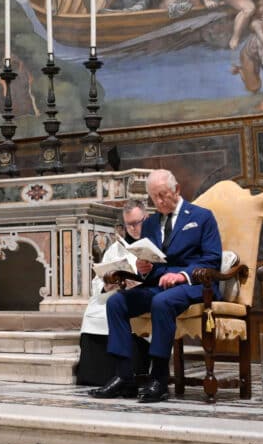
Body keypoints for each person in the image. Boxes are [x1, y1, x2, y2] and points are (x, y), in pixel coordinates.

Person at [89, 169, 222, 402]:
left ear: (177, 190)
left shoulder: (202, 217)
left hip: (196, 284)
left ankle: (159, 377)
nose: (158, 202)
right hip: (159, 284)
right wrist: (144, 269)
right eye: (154, 197)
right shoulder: (150, 224)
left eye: (163, 195)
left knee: (161, 302)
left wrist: (181, 275)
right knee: (117, 302)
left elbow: (213, 260)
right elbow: (154, 264)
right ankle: (124, 377)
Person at [77, 200, 149, 386]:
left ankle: (126, 374)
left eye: (137, 223)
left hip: (139, 295)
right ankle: (95, 376)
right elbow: (97, 279)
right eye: (129, 225)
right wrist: (106, 284)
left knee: (117, 306)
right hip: (112, 293)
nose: (133, 228)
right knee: (95, 310)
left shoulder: (154, 243)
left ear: (146, 217)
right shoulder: (116, 248)